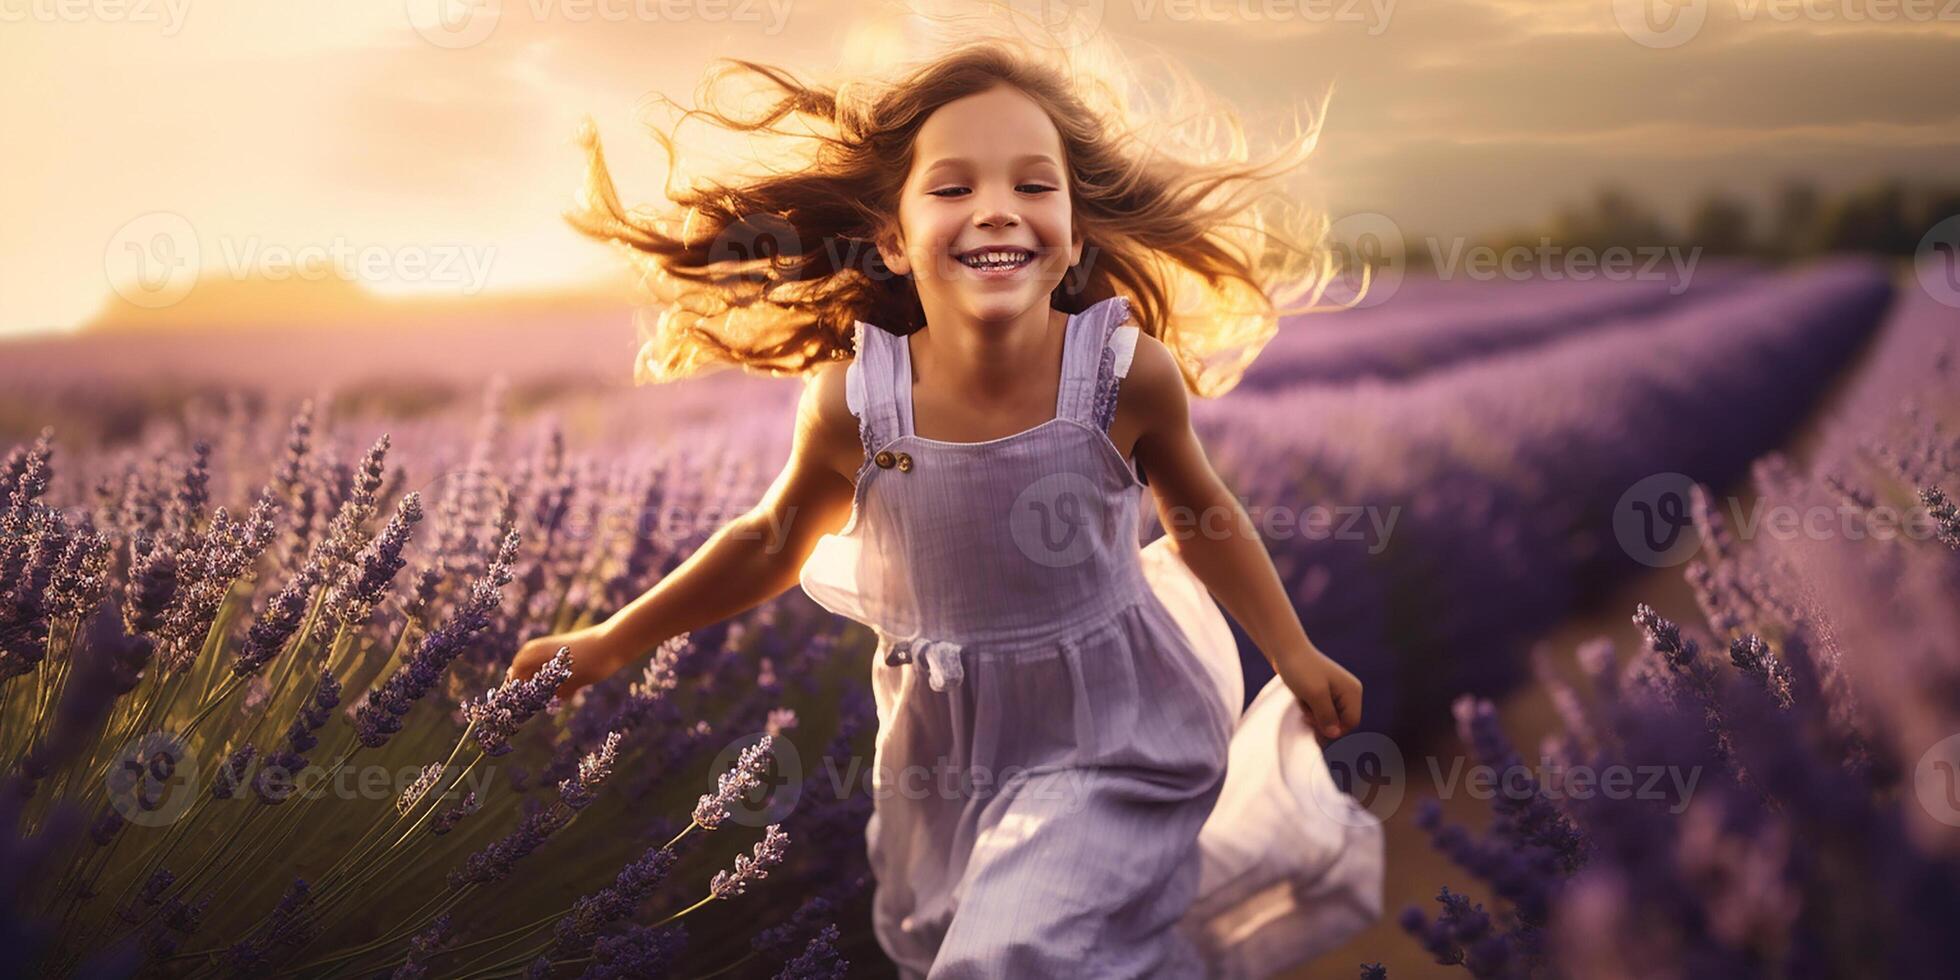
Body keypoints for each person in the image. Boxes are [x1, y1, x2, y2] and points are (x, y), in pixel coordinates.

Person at [509, 34, 1380, 978]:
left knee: (1013, 950)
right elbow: (768, 543)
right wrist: (610, 642)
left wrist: (1292, 651)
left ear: (1077, 231)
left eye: (1034, 186)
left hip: (1115, 726)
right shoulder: (857, 404)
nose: (997, 209)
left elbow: (1202, 516)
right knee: (979, 948)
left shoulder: (1122, 377)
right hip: (944, 752)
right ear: (892, 236)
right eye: (954, 188)